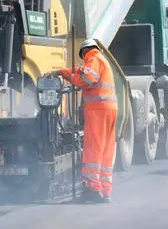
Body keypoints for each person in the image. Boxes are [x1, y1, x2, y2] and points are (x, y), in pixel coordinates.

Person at [50, 39, 118, 204]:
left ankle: (92, 190)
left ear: (86, 50)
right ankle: (105, 190)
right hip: (109, 109)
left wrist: (73, 80)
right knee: (105, 150)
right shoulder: (102, 60)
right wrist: (63, 72)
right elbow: (81, 70)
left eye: (83, 55)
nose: (83, 58)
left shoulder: (93, 58)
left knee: (94, 148)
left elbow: (86, 78)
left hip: (98, 110)